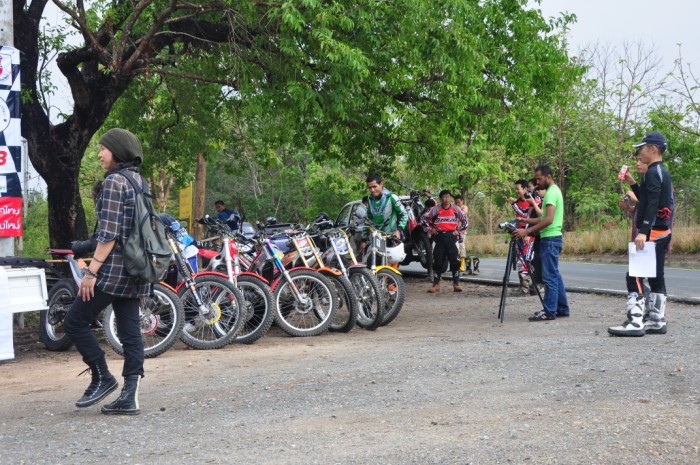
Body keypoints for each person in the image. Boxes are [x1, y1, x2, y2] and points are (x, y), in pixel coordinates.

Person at [63, 128, 149, 415]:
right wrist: (87, 245)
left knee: (74, 321)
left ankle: (102, 376)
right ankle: (129, 397)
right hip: (137, 268)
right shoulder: (138, 180)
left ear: (118, 151)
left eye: (103, 149)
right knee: (130, 333)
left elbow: (109, 235)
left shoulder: (114, 182)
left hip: (113, 271)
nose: (99, 154)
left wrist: (91, 273)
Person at [609, 132, 674, 337]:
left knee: (634, 275)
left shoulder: (653, 172)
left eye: (642, 148)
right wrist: (632, 183)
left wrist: (644, 231)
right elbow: (645, 199)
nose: (640, 152)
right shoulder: (660, 171)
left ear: (653, 149)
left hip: (653, 232)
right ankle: (656, 320)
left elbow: (652, 203)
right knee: (656, 276)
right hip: (662, 230)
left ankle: (635, 321)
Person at [513, 164, 570, 321]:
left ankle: (549, 311)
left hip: (550, 239)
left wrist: (527, 231)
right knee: (555, 275)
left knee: (549, 277)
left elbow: (548, 220)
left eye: (539, 179)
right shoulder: (553, 191)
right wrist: (526, 220)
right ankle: (562, 308)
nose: (537, 182)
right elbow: (542, 218)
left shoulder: (551, 193)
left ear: (548, 177)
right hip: (552, 238)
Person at [422, 190, 468, 293]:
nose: (446, 199)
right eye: (444, 197)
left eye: (448, 197)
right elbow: (424, 218)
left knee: (455, 261)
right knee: (437, 262)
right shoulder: (434, 209)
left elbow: (465, 221)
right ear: (440, 198)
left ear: (450, 198)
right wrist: (430, 229)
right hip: (438, 237)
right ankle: (436, 284)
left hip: (452, 237)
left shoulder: (456, 209)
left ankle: (456, 283)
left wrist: (458, 231)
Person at [363, 173, 409, 267]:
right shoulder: (370, 200)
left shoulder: (391, 197)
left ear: (381, 184)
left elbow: (404, 214)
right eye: (370, 187)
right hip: (377, 238)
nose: (372, 190)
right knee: (372, 265)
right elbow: (368, 219)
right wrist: (363, 239)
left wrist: (398, 230)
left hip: (391, 237)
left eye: (374, 186)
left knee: (391, 267)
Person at [508, 179, 536, 295]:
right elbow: (522, 215)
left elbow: (528, 217)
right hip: (520, 234)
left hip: (528, 235)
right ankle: (526, 286)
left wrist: (528, 233)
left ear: (525, 189)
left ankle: (526, 287)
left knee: (524, 261)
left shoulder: (532, 201)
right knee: (521, 260)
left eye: (518, 189)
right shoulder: (519, 201)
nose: (516, 191)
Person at [454, 194, 478, 275]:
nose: (457, 204)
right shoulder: (454, 208)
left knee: (461, 247)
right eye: (456, 202)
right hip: (454, 231)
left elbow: (463, 213)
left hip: (462, 231)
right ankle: (455, 266)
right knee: (455, 249)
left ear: (462, 201)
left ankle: (462, 266)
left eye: (458, 202)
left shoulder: (464, 207)